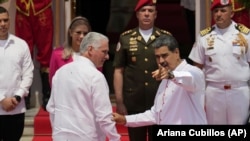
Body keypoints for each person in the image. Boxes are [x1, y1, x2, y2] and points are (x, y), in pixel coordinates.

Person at [112, 34, 207, 126]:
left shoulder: (193, 72)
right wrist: (126, 120)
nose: (161, 61)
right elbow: (156, 114)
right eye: (157, 57)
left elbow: (189, 78)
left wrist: (171, 75)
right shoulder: (165, 79)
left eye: (164, 55)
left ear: (176, 52)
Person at [113, 0, 172, 140]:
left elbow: (173, 68)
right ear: (137, 14)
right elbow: (118, 70)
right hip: (134, 101)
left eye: (150, 11)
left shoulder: (165, 37)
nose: (146, 14)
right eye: (143, 11)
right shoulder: (126, 38)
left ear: (155, 15)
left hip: (159, 100)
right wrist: (120, 102)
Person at [46, 32, 121, 141]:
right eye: (104, 52)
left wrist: (58, 133)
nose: (107, 56)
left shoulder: (60, 73)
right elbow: (104, 117)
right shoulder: (96, 77)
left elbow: (52, 109)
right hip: (86, 137)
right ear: (90, 49)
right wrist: (115, 138)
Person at [189, 0, 250, 124]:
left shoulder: (245, 35)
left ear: (231, 13)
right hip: (214, 92)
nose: (218, 14)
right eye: (215, 11)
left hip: (239, 91)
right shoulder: (204, 37)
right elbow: (197, 68)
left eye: (223, 11)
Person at [0, 6, 34, 141]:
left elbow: (28, 73)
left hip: (16, 108)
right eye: (0, 21)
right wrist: (2, 99)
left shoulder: (21, 44)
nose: (2, 24)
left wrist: (18, 97)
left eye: (5, 20)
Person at [15, 0, 53, 109]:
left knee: (46, 52)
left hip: (42, 7)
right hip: (22, 7)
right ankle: (24, 95)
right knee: (23, 52)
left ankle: (47, 95)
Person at [49, 16, 91, 87]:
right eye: (78, 32)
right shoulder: (57, 54)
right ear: (70, 32)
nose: (82, 36)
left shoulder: (93, 55)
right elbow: (53, 82)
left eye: (85, 33)